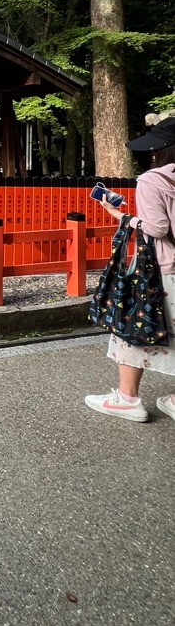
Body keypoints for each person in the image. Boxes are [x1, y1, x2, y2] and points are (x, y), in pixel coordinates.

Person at [85, 116, 175, 423]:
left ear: (161, 150)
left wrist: (121, 216)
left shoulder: (153, 180)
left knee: (133, 327)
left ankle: (127, 399)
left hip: (163, 269)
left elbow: (157, 228)